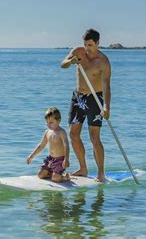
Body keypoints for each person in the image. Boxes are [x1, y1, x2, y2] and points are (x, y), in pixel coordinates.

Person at [60, 29, 111, 182]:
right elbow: (62, 64)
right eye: (85, 44)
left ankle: (101, 173)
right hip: (78, 98)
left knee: (94, 137)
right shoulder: (78, 52)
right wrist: (71, 61)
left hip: (95, 99)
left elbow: (107, 86)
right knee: (73, 134)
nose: (87, 48)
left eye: (90, 45)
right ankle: (83, 168)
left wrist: (107, 107)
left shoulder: (103, 62)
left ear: (97, 43)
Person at [26, 107, 70, 183]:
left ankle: (64, 177)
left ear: (59, 120)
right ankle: (52, 173)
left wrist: (66, 159)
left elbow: (66, 145)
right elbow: (41, 145)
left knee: (55, 179)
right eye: (47, 122)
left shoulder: (61, 132)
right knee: (40, 175)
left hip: (60, 160)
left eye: (51, 122)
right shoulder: (47, 132)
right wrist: (31, 156)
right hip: (50, 159)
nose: (48, 125)